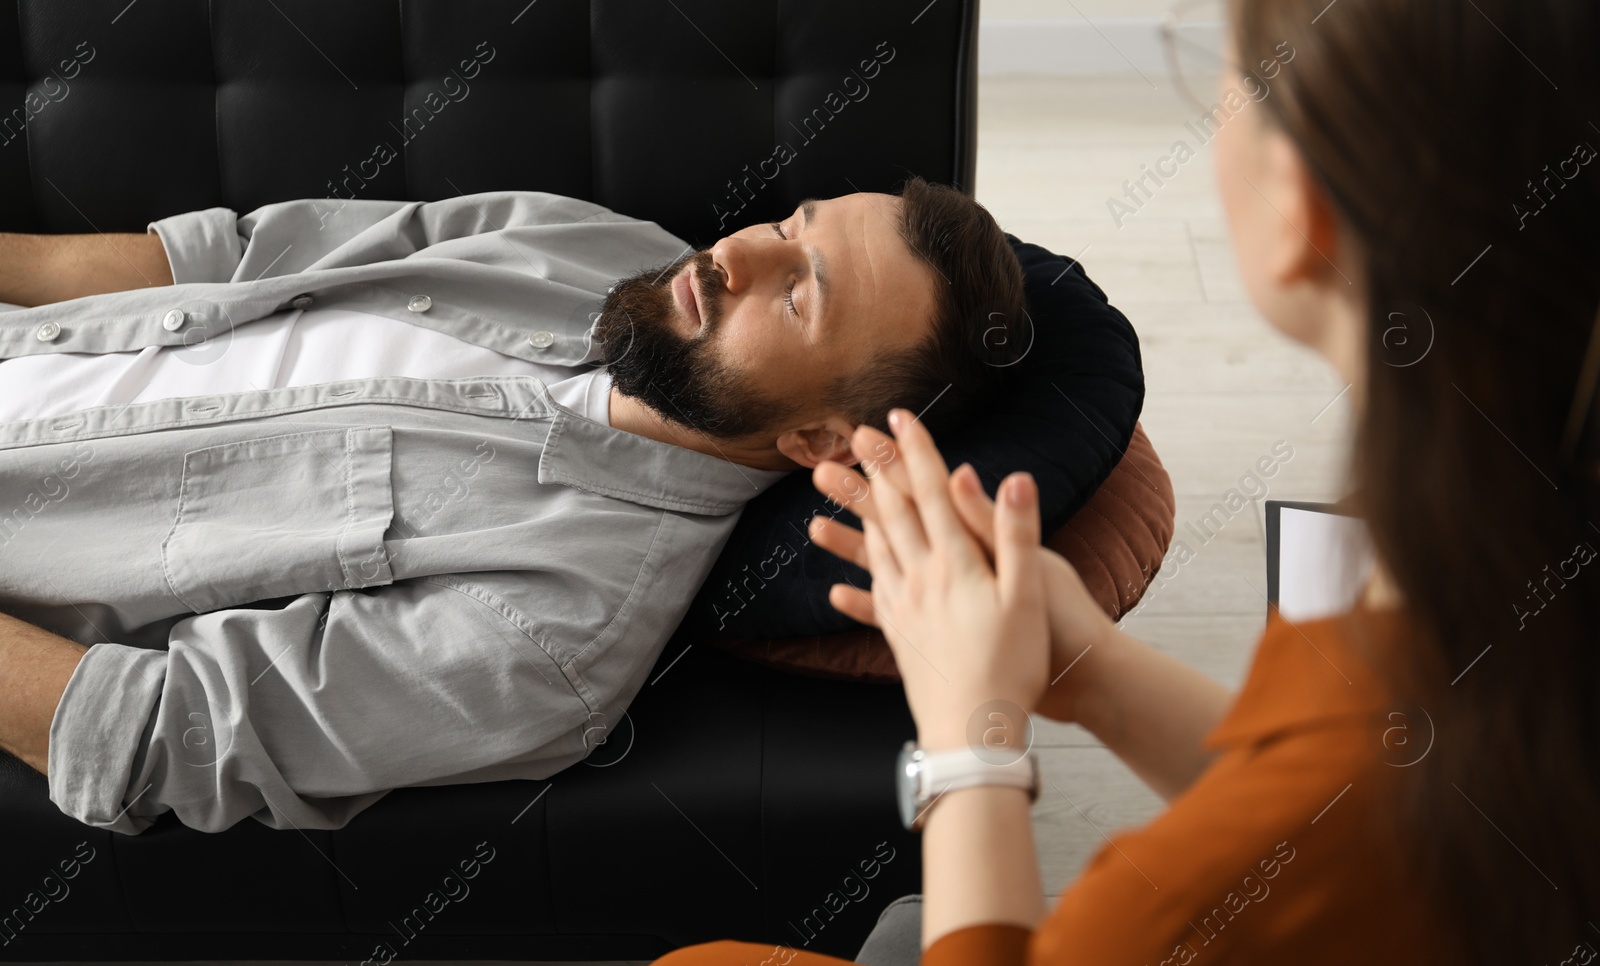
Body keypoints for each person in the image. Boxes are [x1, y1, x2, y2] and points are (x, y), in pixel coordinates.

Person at [542, 0, 1600, 966]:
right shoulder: (1461, 626)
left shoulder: (1164, 945)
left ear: (1301, 210)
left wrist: (970, 740)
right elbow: (1392, 812)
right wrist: (1089, 667)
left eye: (1224, 81)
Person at [0, 179, 1027, 835]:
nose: (732, 254)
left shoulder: (558, 634)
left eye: (799, 294)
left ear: (818, 443)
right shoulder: (585, 242)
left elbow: (145, 733)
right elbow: (222, 258)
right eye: (792, 223)